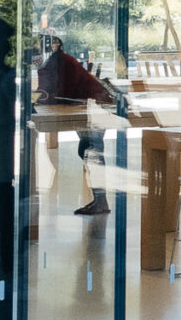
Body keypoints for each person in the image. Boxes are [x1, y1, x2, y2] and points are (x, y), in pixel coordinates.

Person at [36, 35, 125, 216]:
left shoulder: (60, 62)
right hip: (87, 106)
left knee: (91, 150)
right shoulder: (55, 62)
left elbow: (58, 91)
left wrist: (41, 99)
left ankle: (101, 201)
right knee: (89, 150)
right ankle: (100, 200)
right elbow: (50, 91)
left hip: (93, 107)